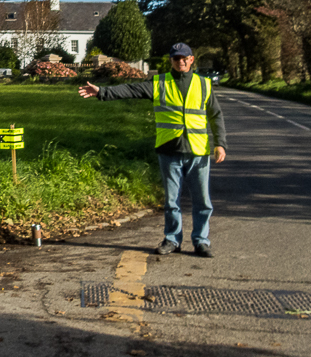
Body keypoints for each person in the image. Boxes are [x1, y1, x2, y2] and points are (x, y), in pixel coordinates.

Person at [79, 43, 227, 257]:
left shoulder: (203, 84)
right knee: (171, 201)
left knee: (202, 201)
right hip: (169, 150)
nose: (181, 61)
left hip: (198, 151)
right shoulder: (160, 82)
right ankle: (172, 239)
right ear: (171, 61)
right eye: (177, 58)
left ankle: (201, 241)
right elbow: (131, 89)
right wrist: (102, 92)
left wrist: (220, 143)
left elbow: (215, 115)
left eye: (184, 58)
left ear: (191, 59)